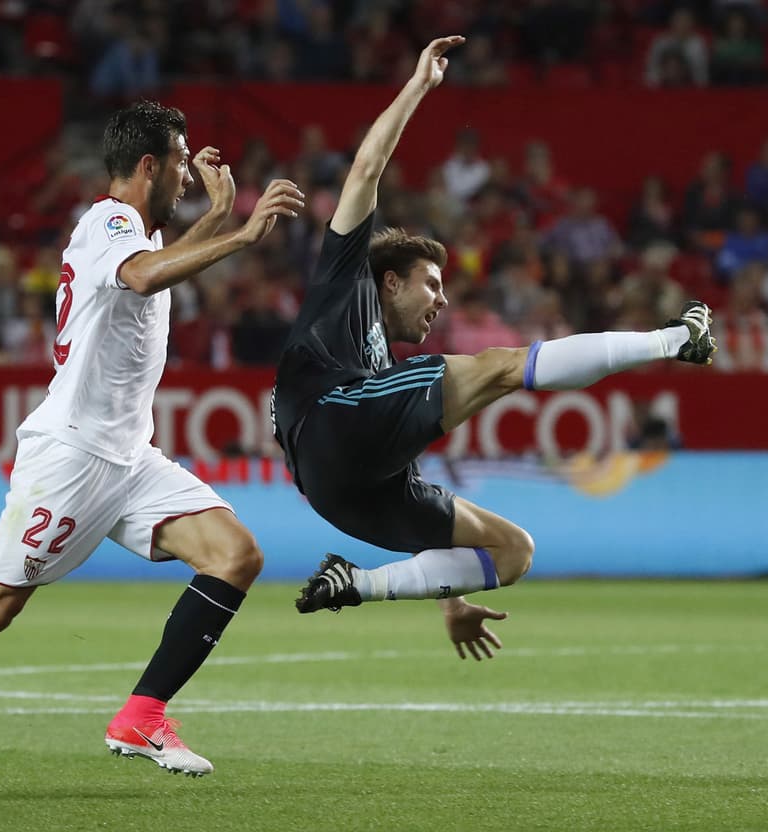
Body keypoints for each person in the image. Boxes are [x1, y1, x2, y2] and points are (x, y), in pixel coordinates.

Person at [0, 101, 305, 796]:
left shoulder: (134, 232)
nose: (191, 174)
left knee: (236, 556)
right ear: (148, 166)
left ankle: (142, 715)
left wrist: (219, 219)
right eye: (182, 160)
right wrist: (244, 235)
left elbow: (153, 266)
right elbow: (140, 275)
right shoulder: (109, 222)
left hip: (129, 458)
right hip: (73, 459)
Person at [271, 38, 716, 662]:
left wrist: (451, 599)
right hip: (329, 422)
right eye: (432, 283)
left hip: (340, 487)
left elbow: (403, 474)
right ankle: (675, 338)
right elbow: (367, 167)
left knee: (513, 551)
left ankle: (356, 585)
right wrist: (420, 85)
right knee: (504, 367)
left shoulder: (379, 374)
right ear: (391, 280)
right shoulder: (344, 280)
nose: (442, 300)